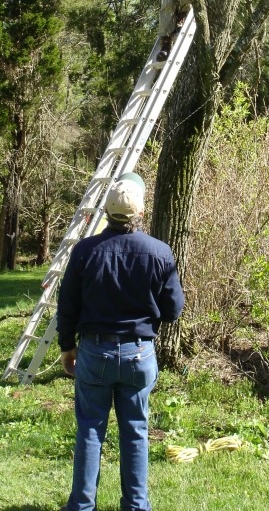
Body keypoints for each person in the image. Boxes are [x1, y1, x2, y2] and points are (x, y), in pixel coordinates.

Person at [56, 172, 185, 511]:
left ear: (107, 211)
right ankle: (136, 505)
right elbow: (173, 311)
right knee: (135, 431)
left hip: (94, 351)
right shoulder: (159, 252)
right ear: (140, 213)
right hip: (138, 354)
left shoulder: (84, 252)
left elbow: (67, 304)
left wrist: (67, 347)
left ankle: (82, 506)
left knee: (90, 431)